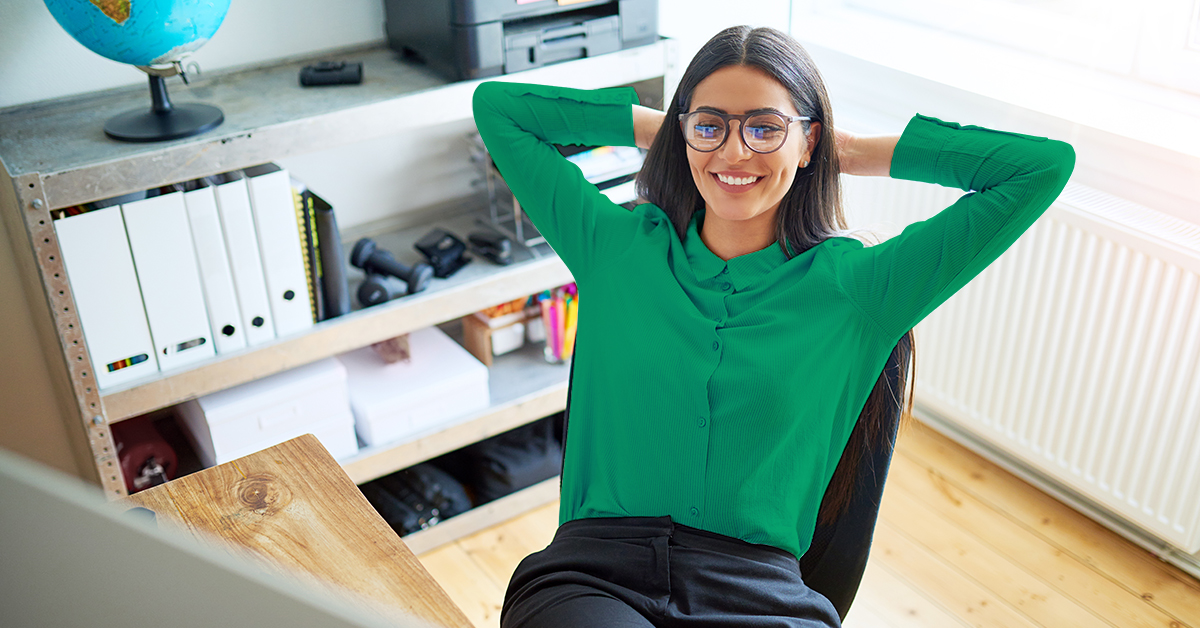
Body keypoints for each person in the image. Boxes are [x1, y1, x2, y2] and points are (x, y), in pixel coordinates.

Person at [472, 25, 1074, 628]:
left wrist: (852, 150)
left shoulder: (860, 290)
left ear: (810, 142)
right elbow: (497, 110)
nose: (735, 154)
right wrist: (676, 134)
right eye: (711, 125)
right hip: (594, 578)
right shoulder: (615, 248)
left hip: (755, 594)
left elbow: (1041, 167)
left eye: (765, 128)